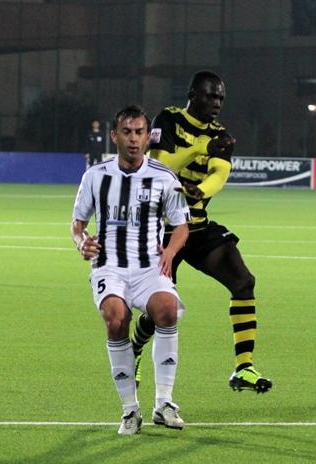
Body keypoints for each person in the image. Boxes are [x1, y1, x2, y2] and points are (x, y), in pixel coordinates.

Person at [130, 71, 273, 393]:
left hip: (195, 227)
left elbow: (219, 173)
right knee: (161, 309)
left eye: (221, 98)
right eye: (211, 96)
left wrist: (201, 190)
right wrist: (200, 148)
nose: (217, 103)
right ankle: (134, 349)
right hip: (159, 231)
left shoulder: (220, 135)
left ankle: (244, 368)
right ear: (193, 95)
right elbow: (161, 166)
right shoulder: (168, 120)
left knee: (243, 281)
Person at [72, 105, 190, 435]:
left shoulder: (164, 177)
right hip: (109, 265)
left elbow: (181, 225)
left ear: (148, 137)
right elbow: (78, 224)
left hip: (149, 266)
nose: (134, 139)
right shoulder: (95, 176)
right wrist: (81, 242)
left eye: (139, 132)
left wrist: (171, 251)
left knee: (167, 310)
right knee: (115, 318)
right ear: (115, 136)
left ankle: (164, 403)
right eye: (127, 132)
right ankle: (130, 410)